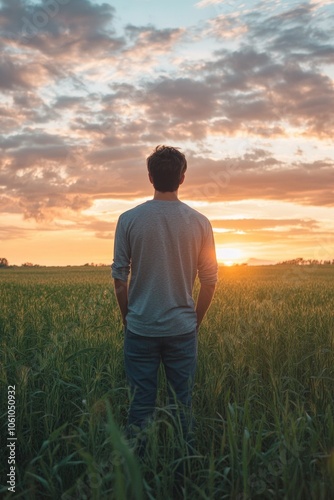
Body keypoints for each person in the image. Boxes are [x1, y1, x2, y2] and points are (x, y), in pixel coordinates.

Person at [111, 145, 217, 448]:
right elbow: (210, 282)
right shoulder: (200, 222)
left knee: (140, 409)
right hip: (182, 330)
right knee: (181, 406)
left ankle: (138, 477)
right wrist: (194, 322)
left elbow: (120, 279)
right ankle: (182, 474)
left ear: (149, 177)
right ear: (183, 177)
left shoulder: (129, 219)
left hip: (140, 328)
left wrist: (128, 318)